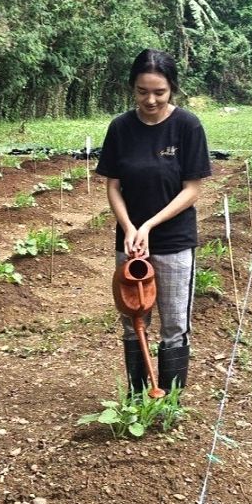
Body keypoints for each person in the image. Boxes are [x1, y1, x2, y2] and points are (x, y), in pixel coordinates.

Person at [95, 48, 211, 398]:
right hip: (130, 243)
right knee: (133, 320)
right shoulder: (120, 128)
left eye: (159, 92)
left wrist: (149, 225)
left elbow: (191, 189)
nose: (150, 99)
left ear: (172, 89)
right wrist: (130, 227)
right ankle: (137, 398)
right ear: (132, 88)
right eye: (142, 91)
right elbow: (113, 185)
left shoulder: (187, 126)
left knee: (174, 324)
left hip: (174, 241)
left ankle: (170, 399)